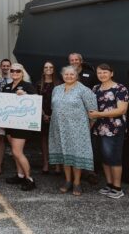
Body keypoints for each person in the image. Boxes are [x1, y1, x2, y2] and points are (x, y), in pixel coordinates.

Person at [49, 66, 98, 196]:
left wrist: (87, 127)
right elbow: (53, 107)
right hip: (59, 128)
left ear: (77, 75)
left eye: (72, 74)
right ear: (62, 75)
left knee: (76, 155)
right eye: (66, 74)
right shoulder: (57, 89)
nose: (69, 76)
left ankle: (77, 182)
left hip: (78, 129)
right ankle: (68, 180)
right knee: (65, 154)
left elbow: (93, 111)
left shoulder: (84, 90)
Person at [88, 64, 129, 199]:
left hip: (114, 129)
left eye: (105, 72)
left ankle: (117, 188)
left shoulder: (120, 88)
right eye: (99, 73)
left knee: (114, 158)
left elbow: (121, 110)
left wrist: (98, 115)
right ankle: (109, 184)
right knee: (104, 157)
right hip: (99, 128)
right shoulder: (95, 88)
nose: (102, 75)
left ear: (111, 73)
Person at [3, 63, 37, 191]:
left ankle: (29, 179)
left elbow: (36, 100)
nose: (15, 73)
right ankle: (20, 175)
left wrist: (26, 95)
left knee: (17, 152)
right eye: (12, 71)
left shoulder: (28, 86)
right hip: (9, 124)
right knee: (14, 152)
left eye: (18, 71)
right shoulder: (6, 87)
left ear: (22, 73)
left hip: (21, 125)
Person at [68, 52, 101, 185]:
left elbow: (96, 94)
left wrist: (92, 113)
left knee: (89, 142)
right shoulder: (68, 74)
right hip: (72, 113)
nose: (74, 61)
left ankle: (90, 171)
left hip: (87, 113)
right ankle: (75, 170)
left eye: (77, 59)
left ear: (81, 61)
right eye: (72, 60)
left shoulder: (90, 74)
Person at [36, 61, 61, 174]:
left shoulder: (59, 84)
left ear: (54, 69)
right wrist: (44, 115)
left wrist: (52, 115)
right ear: (43, 69)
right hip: (42, 115)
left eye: (51, 67)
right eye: (46, 67)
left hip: (56, 115)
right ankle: (46, 163)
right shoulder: (38, 84)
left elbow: (61, 102)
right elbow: (36, 101)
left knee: (56, 140)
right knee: (44, 139)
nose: (48, 69)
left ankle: (57, 164)